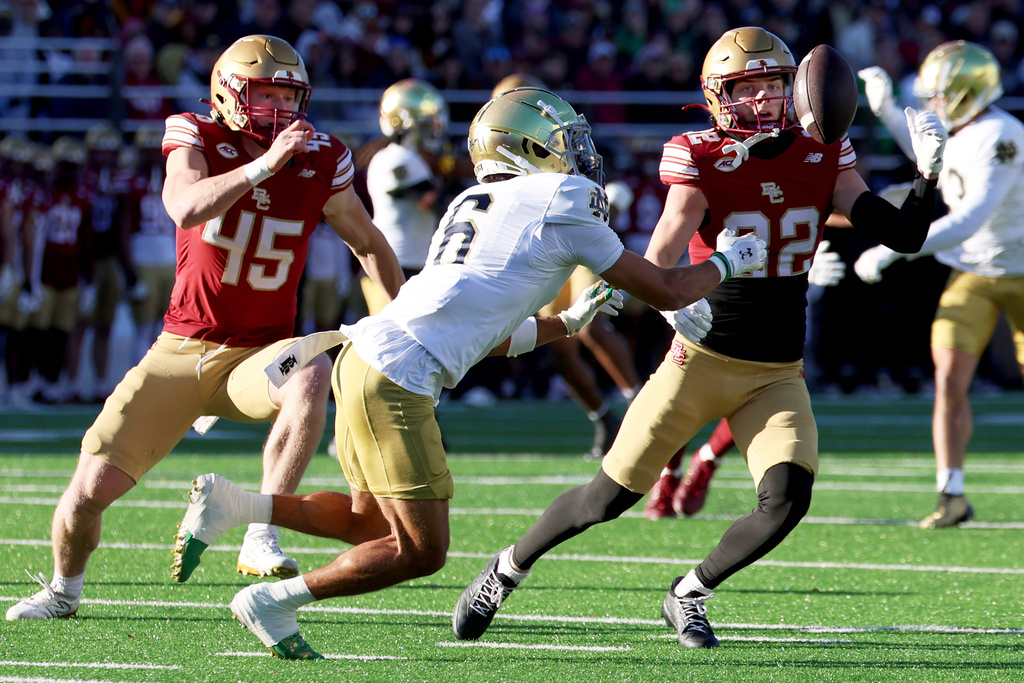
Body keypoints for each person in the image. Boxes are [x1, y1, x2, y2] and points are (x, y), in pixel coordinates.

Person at [169, 85, 768, 659]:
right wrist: (726, 261)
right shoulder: (559, 199)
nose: (579, 154)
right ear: (525, 145)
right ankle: (272, 601)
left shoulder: (472, 202)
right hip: (393, 377)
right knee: (422, 553)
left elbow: (472, 333)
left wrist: (567, 323)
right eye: (563, 140)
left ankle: (236, 507)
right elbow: (662, 285)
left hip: (366, 355)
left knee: (367, 523)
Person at [450, 26, 947, 649]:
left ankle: (689, 593)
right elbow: (661, 250)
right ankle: (506, 569)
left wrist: (928, 178)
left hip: (776, 372)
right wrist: (663, 302)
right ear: (718, 96)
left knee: (788, 498)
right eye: (750, 89)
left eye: (774, 85)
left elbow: (901, 234)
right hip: (700, 360)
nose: (766, 100)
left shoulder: (823, 150)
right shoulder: (701, 154)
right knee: (605, 499)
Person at [5, 34, 404, 621]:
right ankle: (65, 589)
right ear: (229, 92)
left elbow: (368, 244)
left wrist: (404, 322)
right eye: (266, 93)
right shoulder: (195, 133)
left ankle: (261, 531)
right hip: (183, 348)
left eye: (289, 95)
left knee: (312, 372)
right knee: (84, 497)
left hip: (260, 353)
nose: (281, 109)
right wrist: (265, 165)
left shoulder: (323, 155)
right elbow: (185, 206)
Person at [855, 41, 1024, 529]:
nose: (934, 105)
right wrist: (886, 109)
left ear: (969, 92)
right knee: (949, 378)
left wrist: (894, 247)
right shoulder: (965, 127)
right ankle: (951, 494)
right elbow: (932, 155)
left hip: (1018, 269)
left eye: (942, 95)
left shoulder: (1001, 134)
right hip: (973, 271)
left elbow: (969, 218)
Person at [645, 239, 848, 519]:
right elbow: (676, 223)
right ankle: (670, 473)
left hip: (778, 295)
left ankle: (708, 460)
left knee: (762, 391)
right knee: (684, 392)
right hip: (716, 284)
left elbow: (834, 202)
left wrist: (800, 267)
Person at [495, 73, 642, 458]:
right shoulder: (499, 147)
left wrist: (607, 198)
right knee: (557, 340)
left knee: (589, 326)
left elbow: (598, 167)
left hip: (574, 234)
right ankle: (603, 420)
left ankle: (642, 407)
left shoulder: (558, 130)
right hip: (541, 246)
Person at [359, 78, 449, 316]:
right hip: (393, 265)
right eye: (427, 122)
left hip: (410, 264)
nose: (434, 128)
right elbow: (434, 201)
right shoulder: (397, 159)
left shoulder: (412, 159)